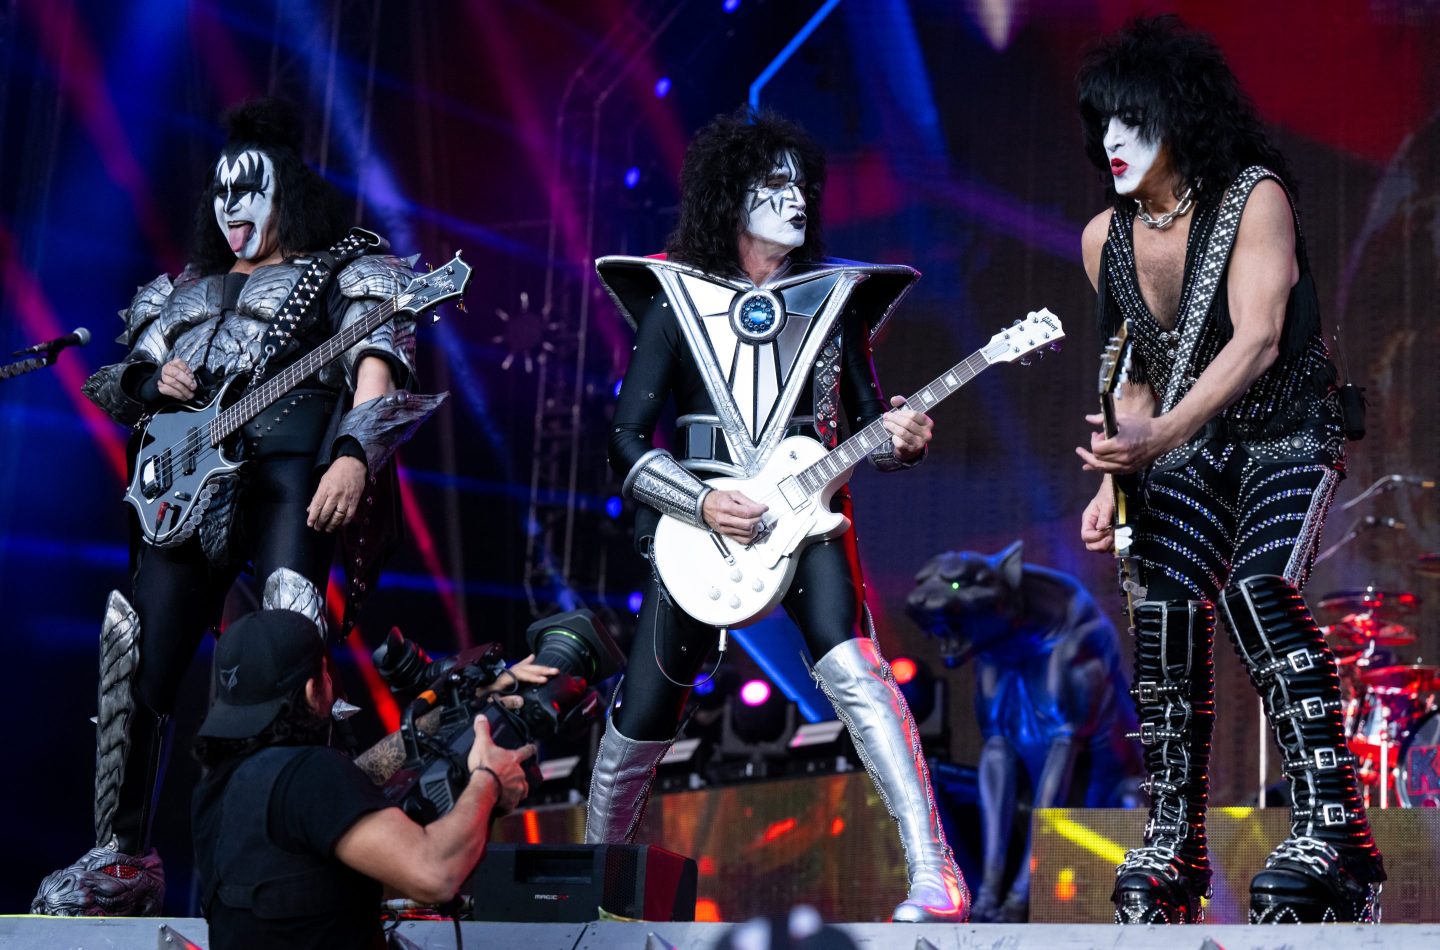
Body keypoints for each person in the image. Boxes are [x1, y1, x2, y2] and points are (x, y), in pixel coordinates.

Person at [33, 98, 442, 916]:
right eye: (219, 192)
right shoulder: (181, 290)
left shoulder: (344, 269)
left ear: (284, 190)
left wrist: (352, 455)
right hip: (184, 494)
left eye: (247, 190)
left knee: (290, 649)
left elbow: (376, 366)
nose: (230, 206)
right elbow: (113, 383)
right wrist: (152, 379)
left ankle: (318, 843)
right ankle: (122, 856)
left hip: (290, 473)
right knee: (136, 655)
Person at [589, 109, 969, 923]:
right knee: (647, 707)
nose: (797, 198)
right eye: (774, 184)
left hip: (813, 516)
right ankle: (596, 888)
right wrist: (698, 500)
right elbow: (623, 439)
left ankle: (936, 875)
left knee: (858, 671)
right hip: (700, 533)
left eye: (803, 184)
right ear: (731, 195)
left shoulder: (835, 300)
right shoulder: (675, 298)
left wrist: (904, 440)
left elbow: (873, 424)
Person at [1074, 16, 1383, 924]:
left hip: (1286, 433)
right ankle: (1174, 843)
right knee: (1162, 608)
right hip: (1187, 450)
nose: (1114, 140)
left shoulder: (1255, 198)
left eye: (1133, 121)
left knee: (1257, 592)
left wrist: (1159, 436)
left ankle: (1334, 831)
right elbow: (1130, 375)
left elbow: (1258, 341)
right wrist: (1112, 478)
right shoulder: (1104, 239)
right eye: (1104, 123)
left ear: (1181, 118)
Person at [189, 595, 536, 949]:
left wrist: (466, 704)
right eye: (325, 673)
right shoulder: (310, 774)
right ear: (311, 690)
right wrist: (489, 779)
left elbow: (352, 783)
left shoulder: (217, 790)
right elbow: (435, 874)